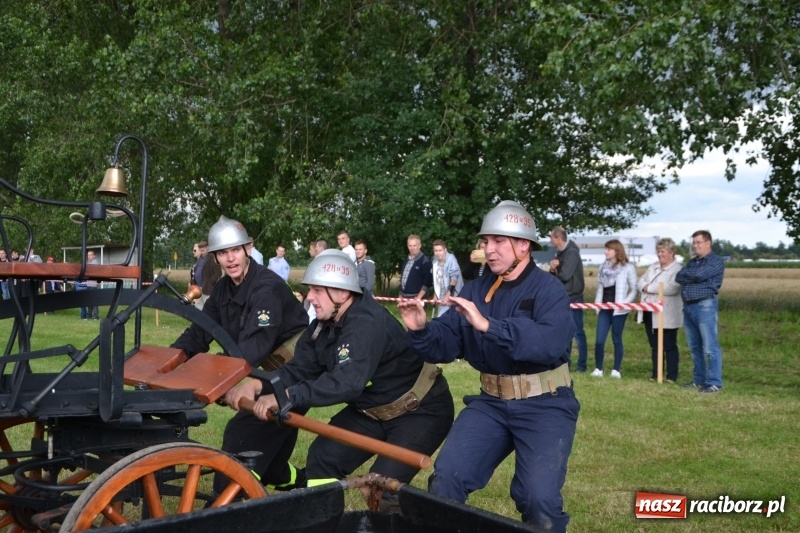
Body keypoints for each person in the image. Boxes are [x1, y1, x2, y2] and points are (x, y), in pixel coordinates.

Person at [398, 200, 579, 533]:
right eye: (485, 241)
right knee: (446, 480)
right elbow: (447, 340)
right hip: (492, 403)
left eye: (498, 241)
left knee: (538, 501)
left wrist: (489, 326)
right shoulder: (477, 289)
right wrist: (421, 329)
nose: (489, 249)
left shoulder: (549, 290)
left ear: (523, 245)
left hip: (546, 404)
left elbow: (549, 343)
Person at [226, 250, 454, 511]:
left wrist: (287, 396)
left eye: (317, 290)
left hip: (420, 412)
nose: (309, 297)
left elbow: (347, 383)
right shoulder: (321, 325)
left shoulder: (366, 323)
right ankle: (321, 521)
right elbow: (299, 370)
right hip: (370, 411)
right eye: (310, 290)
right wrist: (259, 384)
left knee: (383, 489)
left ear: (342, 293)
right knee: (323, 458)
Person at [171, 215, 309, 490]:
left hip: (293, 375)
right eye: (223, 253)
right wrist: (169, 361)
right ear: (215, 257)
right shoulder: (222, 289)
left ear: (248, 249)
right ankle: (297, 484)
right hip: (265, 372)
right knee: (272, 465)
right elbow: (200, 332)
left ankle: (229, 495)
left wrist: (214, 378)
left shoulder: (267, 288)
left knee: (241, 436)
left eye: (236, 250)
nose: (231, 258)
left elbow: (252, 348)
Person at [676, 230, 725, 393]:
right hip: (688, 306)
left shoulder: (715, 261)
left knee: (710, 346)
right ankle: (699, 379)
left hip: (705, 306)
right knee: (694, 347)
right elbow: (679, 277)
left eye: (698, 242)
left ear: (708, 243)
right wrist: (693, 275)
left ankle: (714, 382)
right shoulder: (693, 262)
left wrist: (691, 275)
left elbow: (699, 275)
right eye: (694, 243)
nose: (695, 246)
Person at [637, 237, 683, 383]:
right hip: (649, 310)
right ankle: (657, 373)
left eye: (663, 251)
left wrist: (649, 287)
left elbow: (672, 288)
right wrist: (646, 286)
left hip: (667, 312)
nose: (660, 254)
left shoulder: (677, 269)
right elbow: (640, 281)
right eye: (658, 251)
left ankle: (672, 375)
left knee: (669, 344)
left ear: (671, 253)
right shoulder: (653, 267)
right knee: (655, 345)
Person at [591, 239, 637, 379]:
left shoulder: (628, 268)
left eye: (608, 249)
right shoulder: (602, 267)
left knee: (616, 339)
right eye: (605, 249)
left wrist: (624, 304)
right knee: (599, 340)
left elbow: (634, 289)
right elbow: (600, 288)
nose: (606, 251)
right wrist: (597, 303)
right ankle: (598, 368)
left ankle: (616, 370)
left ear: (617, 251)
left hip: (619, 310)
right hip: (604, 309)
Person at [549, 227, 587, 372]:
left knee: (577, 332)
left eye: (552, 238)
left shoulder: (572, 253)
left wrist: (556, 268)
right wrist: (553, 269)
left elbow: (565, 275)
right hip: (564, 296)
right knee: (566, 332)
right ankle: (566, 363)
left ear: (558, 238)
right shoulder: (560, 253)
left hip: (574, 297)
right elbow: (555, 276)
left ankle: (582, 365)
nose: (550, 241)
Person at [431, 239, 463, 317]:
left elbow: (454, 279)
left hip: (453, 296)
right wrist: (435, 295)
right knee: (441, 319)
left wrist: (447, 296)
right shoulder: (434, 261)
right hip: (441, 297)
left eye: (440, 250)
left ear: (445, 250)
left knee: (445, 318)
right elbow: (437, 281)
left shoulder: (451, 260)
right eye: (436, 251)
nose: (438, 253)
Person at [399, 235, 432, 300]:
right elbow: (403, 278)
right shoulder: (406, 260)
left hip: (417, 298)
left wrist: (418, 298)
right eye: (410, 246)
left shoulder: (425, 261)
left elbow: (427, 282)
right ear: (407, 246)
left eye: (414, 245)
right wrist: (400, 294)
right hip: (404, 298)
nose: (412, 248)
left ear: (419, 246)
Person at [198, 241, 222, 311]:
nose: (202, 249)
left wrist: (210, 282)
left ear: (207, 247)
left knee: (208, 310)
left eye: (204, 247)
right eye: (200, 247)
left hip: (207, 289)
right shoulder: (199, 258)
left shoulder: (213, 257)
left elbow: (218, 273)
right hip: (198, 289)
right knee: (198, 309)